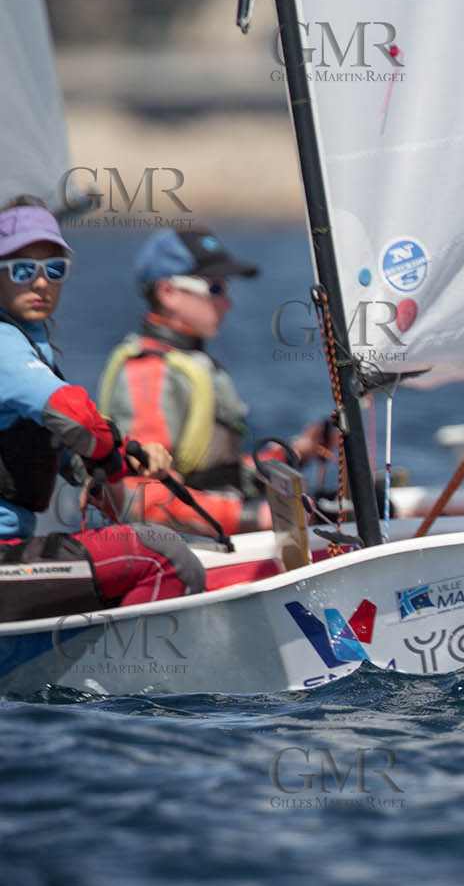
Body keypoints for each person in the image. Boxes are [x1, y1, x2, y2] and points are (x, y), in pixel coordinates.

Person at [0, 197, 204, 622]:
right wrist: (112, 461)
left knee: (121, 543)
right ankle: (129, 684)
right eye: (22, 270)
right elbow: (73, 413)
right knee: (161, 554)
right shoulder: (4, 346)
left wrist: (114, 459)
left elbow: (53, 435)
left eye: (54, 269)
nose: (41, 283)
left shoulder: (27, 345)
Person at [97, 227, 328, 535]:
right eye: (216, 289)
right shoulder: (148, 372)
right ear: (169, 292)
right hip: (183, 553)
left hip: (211, 533)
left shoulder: (189, 362)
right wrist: (252, 518)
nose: (228, 303)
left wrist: (297, 452)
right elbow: (141, 496)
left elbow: (216, 478)